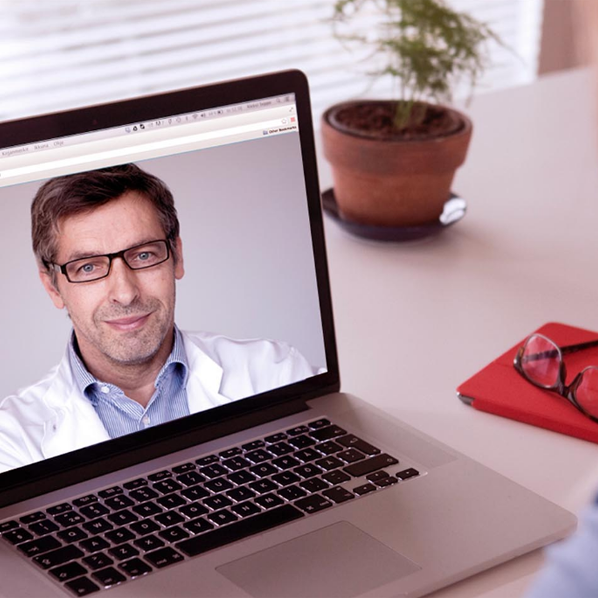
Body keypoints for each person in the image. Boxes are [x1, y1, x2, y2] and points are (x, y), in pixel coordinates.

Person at [0, 163, 320, 473]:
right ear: (52, 287)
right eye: (88, 267)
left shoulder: (275, 374)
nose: (125, 293)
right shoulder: (12, 441)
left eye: (143, 255)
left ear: (177, 257)